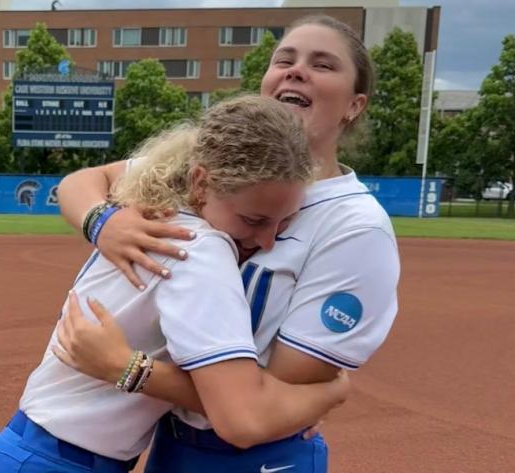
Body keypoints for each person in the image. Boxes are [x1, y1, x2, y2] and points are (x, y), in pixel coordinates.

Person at [54, 15, 400, 473]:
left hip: (256, 458)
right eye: (285, 59)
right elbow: (84, 182)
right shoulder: (218, 164)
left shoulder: (355, 226)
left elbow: (262, 404)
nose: (296, 70)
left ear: (355, 105)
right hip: (172, 446)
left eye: (323, 64)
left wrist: (130, 368)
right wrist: (103, 221)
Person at [0, 95, 350, 473]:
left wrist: (101, 221)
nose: (268, 241)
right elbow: (241, 419)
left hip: (34, 453)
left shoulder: (158, 205)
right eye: (254, 220)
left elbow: (86, 181)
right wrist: (328, 393)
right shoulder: (198, 249)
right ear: (201, 182)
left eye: (285, 222)